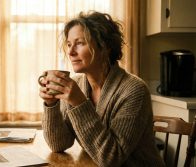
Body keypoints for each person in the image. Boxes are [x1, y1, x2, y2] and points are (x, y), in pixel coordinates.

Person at [38, 11, 165, 166]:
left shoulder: (134, 90)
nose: (70, 52)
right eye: (69, 44)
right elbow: (59, 144)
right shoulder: (77, 85)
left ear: (105, 47)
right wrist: (51, 105)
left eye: (80, 43)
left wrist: (79, 103)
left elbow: (111, 158)